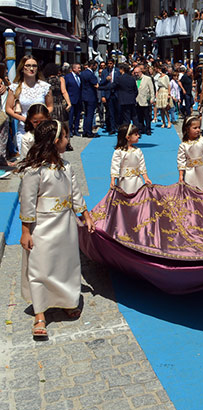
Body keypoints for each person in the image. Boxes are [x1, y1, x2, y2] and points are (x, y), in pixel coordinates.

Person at [18, 120, 95, 341]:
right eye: (65, 137)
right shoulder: (34, 171)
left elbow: (76, 194)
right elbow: (27, 202)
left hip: (65, 224)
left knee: (66, 265)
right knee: (40, 266)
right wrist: (26, 231)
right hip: (42, 225)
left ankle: (66, 301)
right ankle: (40, 314)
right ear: (55, 141)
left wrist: (85, 216)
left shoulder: (66, 166)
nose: (67, 141)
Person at [5, 56, 53, 155]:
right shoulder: (15, 87)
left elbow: (50, 106)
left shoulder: (44, 87)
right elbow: (8, 109)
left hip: (42, 127)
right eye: (28, 65)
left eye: (34, 66)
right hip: (24, 127)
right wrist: (23, 119)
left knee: (42, 157)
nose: (31, 69)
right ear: (23, 68)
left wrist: (41, 118)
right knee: (26, 158)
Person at [110, 123, 152, 194]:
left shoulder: (137, 151)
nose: (138, 136)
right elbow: (115, 166)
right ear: (128, 137)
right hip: (124, 182)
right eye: (136, 134)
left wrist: (145, 178)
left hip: (137, 181)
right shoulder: (119, 152)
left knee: (138, 196)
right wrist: (113, 180)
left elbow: (142, 165)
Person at [177, 115, 203, 190]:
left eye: (199, 127)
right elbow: (181, 160)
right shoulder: (184, 145)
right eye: (195, 128)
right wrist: (181, 175)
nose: (198, 130)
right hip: (190, 172)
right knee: (191, 189)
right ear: (187, 129)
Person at [99, 58, 120, 134]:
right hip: (108, 93)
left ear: (113, 64)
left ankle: (118, 126)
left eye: (111, 63)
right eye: (108, 63)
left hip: (116, 94)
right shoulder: (105, 72)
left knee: (117, 111)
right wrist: (103, 96)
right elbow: (102, 84)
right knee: (110, 112)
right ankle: (112, 128)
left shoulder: (118, 71)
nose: (109, 65)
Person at [80, 60, 100, 138]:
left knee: (86, 114)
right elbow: (96, 85)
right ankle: (89, 132)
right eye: (95, 66)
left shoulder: (83, 73)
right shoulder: (91, 75)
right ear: (92, 65)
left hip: (84, 96)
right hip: (91, 96)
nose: (96, 68)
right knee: (90, 115)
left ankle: (85, 131)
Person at [133, 66, 155, 136]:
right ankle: (141, 128)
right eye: (135, 73)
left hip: (145, 100)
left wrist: (152, 98)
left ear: (140, 72)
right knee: (139, 116)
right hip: (137, 100)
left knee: (147, 116)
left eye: (137, 72)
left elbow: (152, 89)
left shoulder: (147, 79)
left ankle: (148, 129)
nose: (136, 74)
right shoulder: (134, 79)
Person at [64, 63, 83, 137]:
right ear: (74, 69)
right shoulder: (68, 77)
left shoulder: (79, 77)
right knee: (71, 116)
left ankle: (76, 129)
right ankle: (70, 130)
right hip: (71, 99)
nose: (79, 69)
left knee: (78, 115)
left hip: (78, 99)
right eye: (78, 68)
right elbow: (65, 88)